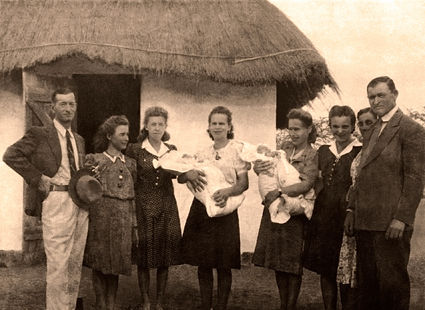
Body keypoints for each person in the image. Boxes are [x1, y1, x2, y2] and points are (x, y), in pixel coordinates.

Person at [3, 88, 88, 310]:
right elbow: (10, 155)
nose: (68, 108)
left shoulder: (78, 139)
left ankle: (68, 307)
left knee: (74, 263)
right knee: (58, 265)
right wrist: (38, 178)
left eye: (71, 104)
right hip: (57, 201)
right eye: (63, 104)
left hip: (80, 203)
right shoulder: (40, 133)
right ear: (52, 108)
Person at [344, 76, 425, 310]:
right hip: (365, 222)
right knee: (368, 288)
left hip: (391, 224)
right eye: (371, 97)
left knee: (392, 285)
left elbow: (414, 179)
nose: (376, 100)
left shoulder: (411, 129)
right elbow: (361, 175)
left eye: (381, 95)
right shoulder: (372, 129)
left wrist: (401, 218)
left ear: (395, 94)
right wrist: (351, 209)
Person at [178, 106, 250, 310]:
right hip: (201, 211)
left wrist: (227, 192)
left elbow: (244, 184)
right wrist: (188, 173)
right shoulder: (201, 153)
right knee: (204, 262)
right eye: (214, 123)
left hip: (224, 209)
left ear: (229, 127)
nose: (217, 127)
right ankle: (205, 305)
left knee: (223, 264)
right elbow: (182, 177)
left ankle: (221, 307)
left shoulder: (237, 151)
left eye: (222, 123)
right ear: (208, 127)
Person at [252, 108, 319, 310]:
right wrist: (259, 168)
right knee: (279, 262)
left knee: (292, 264)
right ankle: (283, 304)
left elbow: (306, 183)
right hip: (276, 209)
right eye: (290, 129)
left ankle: (290, 305)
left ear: (309, 129)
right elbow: (269, 170)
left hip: (295, 213)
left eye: (297, 129)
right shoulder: (283, 148)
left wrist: (280, 192)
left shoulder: (312, 155)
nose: (293, 133)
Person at [303, 105, 362, 310]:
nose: (340, 131)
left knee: (345, 270)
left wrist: (352, 211)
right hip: (324, 215)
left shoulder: (359, 151)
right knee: (326, 268)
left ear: (353, 126)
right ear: (329, 126)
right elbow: (315, 179)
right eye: (335, 126)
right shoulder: (323, 150)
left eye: (345, 126)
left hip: (346, 214)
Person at [126, 107, 181, 310]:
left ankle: (159, 301)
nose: (157, 128)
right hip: (143, 205)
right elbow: (131, 178)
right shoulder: (135, 149)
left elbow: (179, 175)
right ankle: (146, 301)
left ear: (165, 126)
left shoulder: (171, 149)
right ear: (146, 126)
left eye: (161, 124)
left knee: (164, 256)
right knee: (144, 256)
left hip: (167, 204)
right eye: (153, 124)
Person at [83, 115, 137, 310]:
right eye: (121, 134)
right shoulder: (94, 160)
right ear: (109, 136)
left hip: (123, 217)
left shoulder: (131, 163)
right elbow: (84, 189)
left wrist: (134, 223)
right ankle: (101, 304)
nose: (126, 138)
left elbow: (133, 194)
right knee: (100, 263)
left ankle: (111, 305)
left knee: (116, 265)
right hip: (101, 216)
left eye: (127, 134)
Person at [336, 107, 377, 310]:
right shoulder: (362, 151)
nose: (363, 127)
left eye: (369, 122)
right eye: (361, 123)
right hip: (354, 215)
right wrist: (350, 212)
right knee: (351, 268)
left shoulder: (382, 148)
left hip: (374, 218)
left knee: (370, 271)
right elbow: (354, 187)